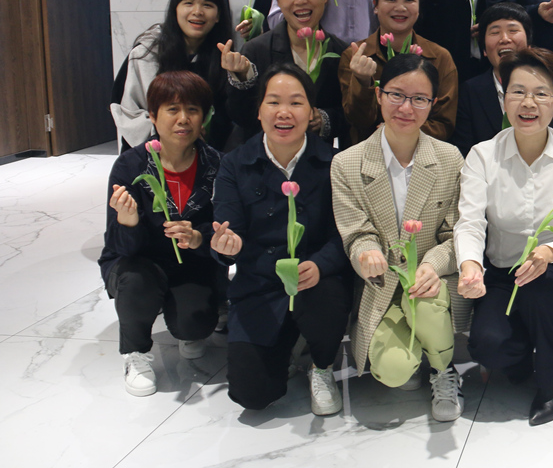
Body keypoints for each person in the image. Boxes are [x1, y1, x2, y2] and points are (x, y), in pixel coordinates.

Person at [454, 48, 553, 426]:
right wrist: (470, 265)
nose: (528, 103)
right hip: (504, 275)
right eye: (517, 92)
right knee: (488, 345)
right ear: (504, 99)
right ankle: (521, 353)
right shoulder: (483, 156)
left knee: (542, 289)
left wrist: (550, 253)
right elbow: (470, 223)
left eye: (541, 94)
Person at [332, 54, 467, 421]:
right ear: (379, 95)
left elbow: (456, 233)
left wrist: (432, 266)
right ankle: (415, 352)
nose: (407, 108)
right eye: (396, 95)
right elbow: (355, 232)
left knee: (426, 304)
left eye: (419, 99)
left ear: (433, 104)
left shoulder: (450, 158)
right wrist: (366, 253)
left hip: (430, 282)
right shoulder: (347, 163)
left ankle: (444, 370)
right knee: (394, 372)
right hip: (383, 284)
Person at [211, 63, 352, 415]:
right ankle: (287, 345)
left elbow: (345, 234)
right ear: (259, 111)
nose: (284, 112)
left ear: (311, 112)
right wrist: (227, 247)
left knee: (327, 298)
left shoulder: (333, 163)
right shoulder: (234, 164)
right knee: (251, 395)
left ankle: (322, 367)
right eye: (273, 102)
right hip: (260, 283)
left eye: (296, 102)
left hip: (314, 282)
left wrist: (320, 265)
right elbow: (227, 228)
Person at [101, 71, 222, 397]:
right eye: (172, 109)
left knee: (195, 324)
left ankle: (183, 320)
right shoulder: (130, 166)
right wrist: (129, 222)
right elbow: (117, 246)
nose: (183, 119)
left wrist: (198, 237)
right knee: (136, 281)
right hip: (138, 260)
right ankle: (135, 352)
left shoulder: (216, 164)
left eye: (193, 110)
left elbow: (225, 227)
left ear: (204, 116)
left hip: (191, 262)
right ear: (153, 116)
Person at [224, 0, 349, 147]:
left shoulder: (341, 52)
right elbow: (242, 116)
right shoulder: (257, 50)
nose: (300, 0)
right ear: (278, 0)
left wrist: (324, 119)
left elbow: (350, 115)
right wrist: (241, 78)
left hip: (318, 158)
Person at [111, 0, 235, 150]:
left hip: (208, 153)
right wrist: (165, 134)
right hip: (154, 151)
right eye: (188, 3)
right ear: (175, 9)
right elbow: (127, 111)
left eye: (207, 5)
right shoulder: (146, 53)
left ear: (218, 15)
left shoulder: (224, 56)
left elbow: (229, 114)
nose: (197, 11)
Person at [338, 0, 459, 143]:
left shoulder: (439, 58)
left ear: (419, 6)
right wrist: (362, 82)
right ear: (375, 5)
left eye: (409, 0)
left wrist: (396, 130)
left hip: (421, 152)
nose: (400, 7)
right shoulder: (355, 56)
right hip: (368, 152)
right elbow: (357, 120)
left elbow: (443, 125)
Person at [452, 2, 553, 155]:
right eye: (495, 32)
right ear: (484, 50)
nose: (504, 39)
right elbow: (464, 151)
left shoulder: (551, 84)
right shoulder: (470, 92)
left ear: (529, 44)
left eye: (513, 30)